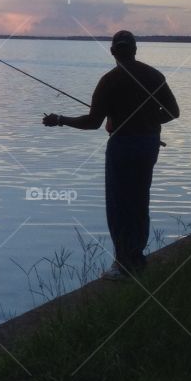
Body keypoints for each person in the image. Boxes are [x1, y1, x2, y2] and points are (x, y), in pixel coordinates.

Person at [42, 29, 179, 280]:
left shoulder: (109, 80)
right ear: (135, 50)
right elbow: (173, 112)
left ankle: (124, 265)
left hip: (123, 146)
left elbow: (93, 122)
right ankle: (136, 258)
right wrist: (144, 121)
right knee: (139, 201)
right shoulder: (154, 75)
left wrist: (60, 119)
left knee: (119, 206)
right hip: (148, 145)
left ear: (113, 51)